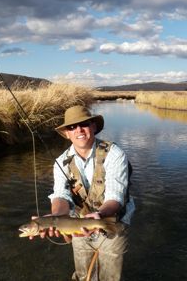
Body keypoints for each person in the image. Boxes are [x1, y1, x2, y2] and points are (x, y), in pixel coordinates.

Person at [42, 105, 135, 281]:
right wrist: (56, 218)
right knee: (84, 275)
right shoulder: (61, 162)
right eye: (72, 127)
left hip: (113, 220)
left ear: (93, 126)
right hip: (78, 224)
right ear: (67, 133)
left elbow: (116, 196)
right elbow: (61, 194)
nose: (78, 130)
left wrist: (99, 215)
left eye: (83, 124)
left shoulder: (115, 154)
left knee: (109, 276)